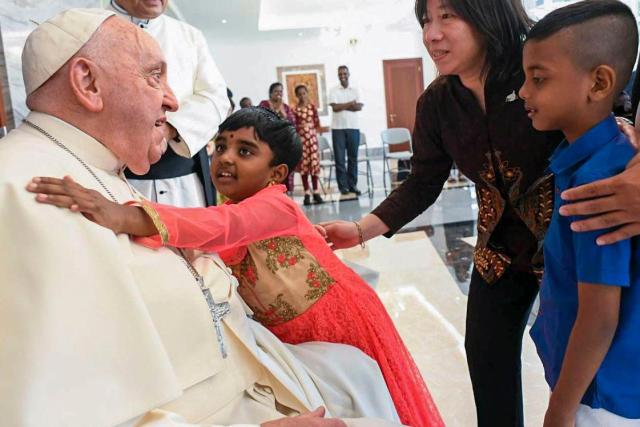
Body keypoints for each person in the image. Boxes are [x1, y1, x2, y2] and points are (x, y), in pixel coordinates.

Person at [0, 9, 404, 427]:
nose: (174, 101)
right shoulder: (28, 191)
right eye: (154, 76)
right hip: (225, 412)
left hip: (258, 367)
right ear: (88, 83)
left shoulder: (95, 169)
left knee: (364, 374)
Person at [320, 0, 640, 425]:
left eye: (447, 16)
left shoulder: (542, 68)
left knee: (588, 361)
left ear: (486, 12)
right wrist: (361, 229)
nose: (432, 34)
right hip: (499, 252)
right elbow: (423, 180)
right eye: (425, 20)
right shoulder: (439, 103)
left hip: (574, 240)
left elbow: (613, 105)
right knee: (488, 361)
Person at [29, 107, 445, 427]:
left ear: (275, 173)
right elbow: (211, 245)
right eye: (221, 146)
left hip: (338, 319)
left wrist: (123, 216)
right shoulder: (232, 205)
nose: (225, 159)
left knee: (378, 399)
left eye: (245, 151)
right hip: (289, 335)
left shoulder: (273, 204)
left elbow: (220, 228)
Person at [519, 2, 640, 425]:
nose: (523, 92)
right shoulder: (591, 159)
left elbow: (599, 317)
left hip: (601, 397)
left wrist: (560, 409)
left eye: (538, 79)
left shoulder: (602, 183)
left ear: (599, 82)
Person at [109, 0, 230, 208]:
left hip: (183, 183)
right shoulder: (86, 31)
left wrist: (168, 129)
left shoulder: (189, 36)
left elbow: (216, 98)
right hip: (112, 180)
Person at [328, 66, 363, 196]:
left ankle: (352, 185)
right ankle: (343, 187)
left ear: (349, 74)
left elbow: (359, 107)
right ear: (338, 75)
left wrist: (342, 105)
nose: (342, 75)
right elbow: (335, 108)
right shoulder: (333, 90)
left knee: (353, 158)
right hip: (338, 129)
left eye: (344, 73)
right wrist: (350, 103)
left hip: (353, 127)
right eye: (340, 73)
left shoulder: (356, 89)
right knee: (340, 159)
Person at [259, 82, 297, 193]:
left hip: (283, 143)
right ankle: (269, 191)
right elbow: (259, 120)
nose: (279, 94)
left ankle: (285, 191)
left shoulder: (285, 107)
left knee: (284, 166)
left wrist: (284, 115)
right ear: (270, 93)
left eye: (281, 92)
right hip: (268, 142)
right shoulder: (264, 104)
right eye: (276, 91)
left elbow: (292, 124)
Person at [294, 85, 324, 205]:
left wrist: (311, 130)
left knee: (314, 165)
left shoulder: (312, 107)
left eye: (304, 93)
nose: (302, 96)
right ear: (296, 95)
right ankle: (307, 192)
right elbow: (294, 124)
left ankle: (316, 192)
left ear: (307, 93)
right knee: (304, 166)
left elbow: (317, 122)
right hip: (301, 140)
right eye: (299, 94)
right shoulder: (295, 109)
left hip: (312, 140)